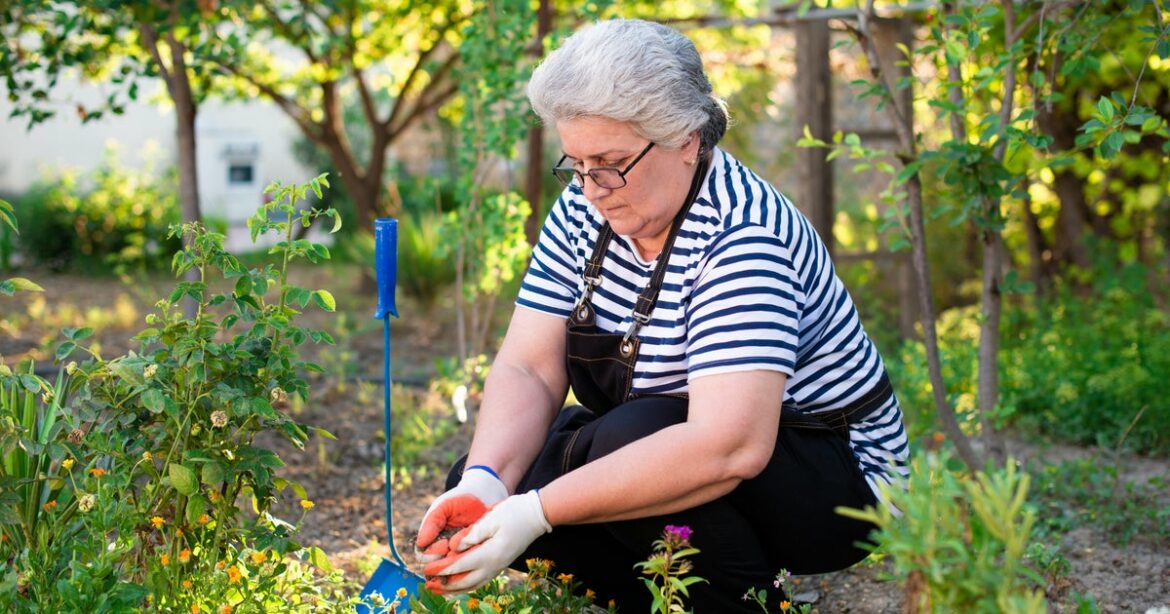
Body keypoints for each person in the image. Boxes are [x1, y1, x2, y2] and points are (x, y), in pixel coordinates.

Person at [415, 18, 909, 612]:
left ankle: (742, 604)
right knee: (487, 480)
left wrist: (537, 512)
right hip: (689, 440)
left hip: (836, 480)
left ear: (686, 139)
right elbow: (529, 369)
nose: (593, 187)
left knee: (626, 439)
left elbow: (729, 446)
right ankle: (658, 601)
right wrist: (488, 484)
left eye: (610, 161)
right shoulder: (584, 206)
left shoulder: (742, 237)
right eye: (576, 162)